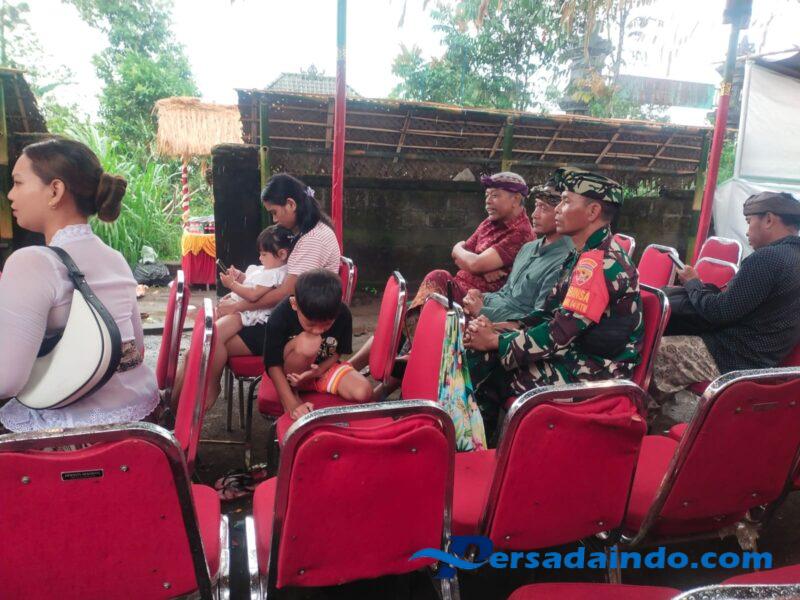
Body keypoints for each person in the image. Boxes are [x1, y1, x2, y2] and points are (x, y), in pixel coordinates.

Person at [465, 167, 643, 431]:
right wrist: (499, 328)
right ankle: (480, 443)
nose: (557, 209)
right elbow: (548, 313)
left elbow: (559, 333)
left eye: (566, 201)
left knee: (489, 366)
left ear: (593, 212)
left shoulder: (600, 263)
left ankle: (480, 446)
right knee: (477, 350)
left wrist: (495, 342)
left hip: (594, 371)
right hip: (572, 354)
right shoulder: (584, 253)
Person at [0, 137, 158, 432]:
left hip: (73, 437)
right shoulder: (115, 258)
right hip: (136, 422)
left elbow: (7, 381)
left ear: (55, 191)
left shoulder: (32, 262)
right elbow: (135, 348)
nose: (10, 194)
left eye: (18, 183)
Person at [176, 173, 341, 409]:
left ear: (291, 204)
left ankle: (192, 402)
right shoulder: (307, 231)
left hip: (292, 325)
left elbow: (284, 293)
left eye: (274, 212)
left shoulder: (312, 239)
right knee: (201, 346)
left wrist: (239, 305)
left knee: (205, 347)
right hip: (283, 314)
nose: (274, 219)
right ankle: (178, 406)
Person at [651, 191, 800, 401]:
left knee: (649, 352)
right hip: (766, 360)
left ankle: (634, 415)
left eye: (749, 222)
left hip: (731, 357)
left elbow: (719, 312)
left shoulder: (767, 259)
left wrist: (693, 283)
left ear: (768, 219)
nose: (747, 231)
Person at [408, 171, 535, 312]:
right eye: (487, 195)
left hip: (483, 302)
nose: (488, 201)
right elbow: (458, 257)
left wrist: (462, 252)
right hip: (460, 289)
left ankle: (414, 325)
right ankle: (414, 324)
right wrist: (482, 269)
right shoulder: (489, 222)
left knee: (438, 277)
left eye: (495, 195)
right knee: (435, 287)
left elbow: (473, 262)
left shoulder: (521, 232)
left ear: (516, 199)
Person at [264, 269, 372, 420]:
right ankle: (293, 391)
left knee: (363, 391)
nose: (318, 330)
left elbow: (337, 352)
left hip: (320, 371)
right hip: (290, 375)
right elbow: (273, 365)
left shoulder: (343, 314)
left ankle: (311, 385)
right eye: (311, 324)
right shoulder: (280, 316)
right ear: (294, 304)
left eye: (327, 324)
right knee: (310, 341)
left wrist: (319, 370)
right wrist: (291, 404)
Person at [462, 181, 573, 322]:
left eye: (544, 208)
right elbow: (505, 294)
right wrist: (481, 297)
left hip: (508, 330)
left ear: (561, 212)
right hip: (490, 314)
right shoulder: (527, 248)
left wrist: (481, 311)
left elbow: (540, 320)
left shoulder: (565, 261)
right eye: (536, 206)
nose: (534, 215)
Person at [215, 225, 292, 369]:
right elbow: (252, 282)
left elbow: (253, 294)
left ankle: (212, 377)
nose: (260, 258)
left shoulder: (276, 274)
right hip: (240, 310)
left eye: (264, 254)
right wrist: (240, 276)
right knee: (209, 336)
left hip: (246, 314)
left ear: (282, 254)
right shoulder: (269, 269)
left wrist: (232, 284)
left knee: (213, 340)